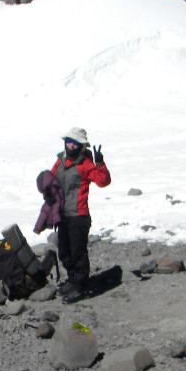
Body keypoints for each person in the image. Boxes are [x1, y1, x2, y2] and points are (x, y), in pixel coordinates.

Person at [50, 126, 110, 302]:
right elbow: (51, 179)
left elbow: (103, 181)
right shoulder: (60, 161)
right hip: (63, 215)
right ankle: (72, 280)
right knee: (65, 252)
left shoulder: (85, 164)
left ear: (82, 146)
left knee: (78, 253)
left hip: (79, 215)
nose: (71, 145)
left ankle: (81, 286)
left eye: (75, 143)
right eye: (68, 141)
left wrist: (100, 164)